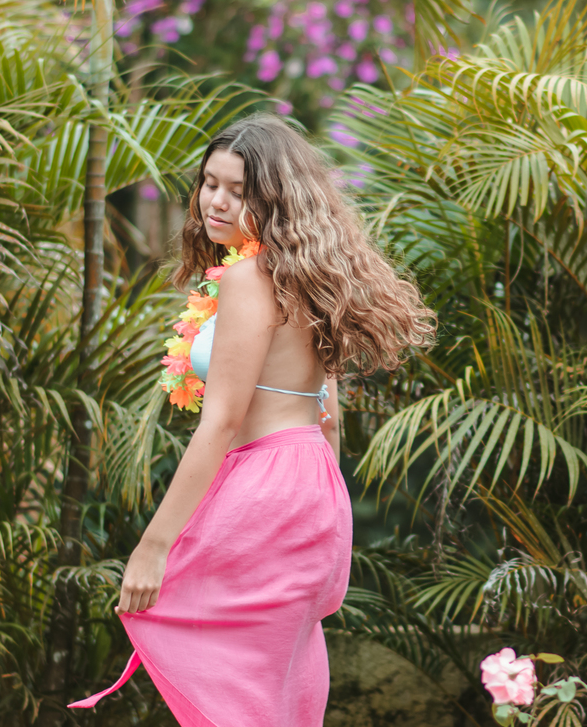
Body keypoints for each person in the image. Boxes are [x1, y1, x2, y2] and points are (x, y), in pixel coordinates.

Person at [68, 114, 435, 725]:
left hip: (264, 485)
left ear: (272, 199)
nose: (215, 200)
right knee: (274, 677)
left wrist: (153, 548)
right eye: (210, 183)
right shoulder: (313, 277)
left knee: (230, 676)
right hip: (312, 487)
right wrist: (315, 509)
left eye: (237, 190)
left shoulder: (246, 278)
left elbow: (219, 423)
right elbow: (329, 421)